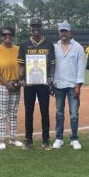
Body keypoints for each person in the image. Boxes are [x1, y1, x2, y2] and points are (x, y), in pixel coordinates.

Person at [17, 17, 56, 150]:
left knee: (44, 112)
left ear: (41, 28)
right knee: (29, 112)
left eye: (38, 26)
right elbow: (21, 65)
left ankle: (46, 140)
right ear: (30, 28)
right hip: (29, 84)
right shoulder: (24, 43)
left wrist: (51, 78)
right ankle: (28, 140)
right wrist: (21, 79)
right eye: (33, 26)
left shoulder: (49, 44)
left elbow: (52, 65)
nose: (36, 29)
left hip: (44, 84)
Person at [0, 26, 23, 150]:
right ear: (1, 36)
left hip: (16, 85)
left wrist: (20, 81)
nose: (7, 36)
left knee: (13, 114)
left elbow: (22, 66)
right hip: (3, 86)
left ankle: (13, 138)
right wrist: (7, 84)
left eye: (9, 34)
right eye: (4, 34)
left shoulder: (18, 49)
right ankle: (2, 139)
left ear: (13, 35)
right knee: (3, 114)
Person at [52, 21, 85, 150]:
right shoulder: (54, 47)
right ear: (59, 33)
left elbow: (81, 67)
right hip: (58, 84)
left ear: (70, 32)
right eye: (61, 31)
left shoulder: (78, 47)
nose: (63, 33)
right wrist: (52, 82)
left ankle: (74, 138)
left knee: (74, 114)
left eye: (66, 31)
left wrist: (78, 85)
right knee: (59, 113)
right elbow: (52, 66)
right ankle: (59, 138)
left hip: (72, 85)